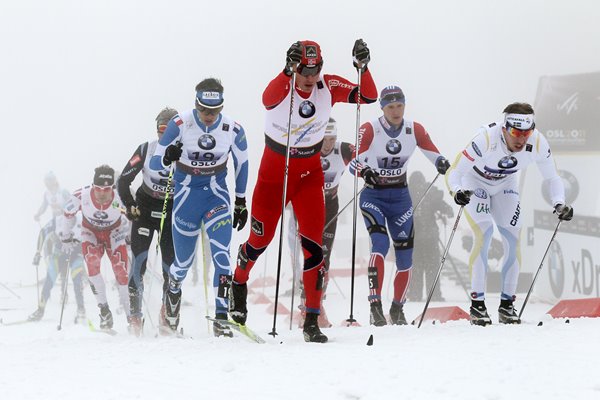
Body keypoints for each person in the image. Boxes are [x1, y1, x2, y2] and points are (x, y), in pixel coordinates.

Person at [229, 39, 377, 343]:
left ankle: (311, 319)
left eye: (314, 70)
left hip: (309, 172)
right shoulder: (284, 84)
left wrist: (364, 68)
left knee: (314, 247)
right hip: (275, 172)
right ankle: (238, 286)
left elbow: (369, 96)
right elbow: (267, 100)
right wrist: (286, 71)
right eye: (303, 70)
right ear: (295, 67)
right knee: (259, 240)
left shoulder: (328, 86)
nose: (308, 77)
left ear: (320, 67)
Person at [446, 102, 574, 325]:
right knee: (484, 234)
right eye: (516, 132)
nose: (521, 139)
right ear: (504, 128)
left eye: (527, 132)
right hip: (475, 182)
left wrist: (559, 203)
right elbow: (454, 172)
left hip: (505, 184)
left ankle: (507, 305)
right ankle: (478, 305)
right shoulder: (486, 139)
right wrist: (457, 192)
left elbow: (553, 178)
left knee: (513, 238)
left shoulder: (538, 142)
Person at [149, 78, 249, 337]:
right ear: (196, 104)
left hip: (216, 197)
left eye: (214, 111)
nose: (208, 116)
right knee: (182, 264)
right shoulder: (180, 124)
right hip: (185, 198)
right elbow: (156, 162)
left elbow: (242, 164)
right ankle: (172, 292)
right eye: (204, 110)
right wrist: (169, 155)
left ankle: (220, 318)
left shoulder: (233, 129)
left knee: (222, 259)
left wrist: (240, 200)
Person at [350, 85, 450, 326]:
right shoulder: (370, 129)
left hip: (400, 198)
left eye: (399, 106)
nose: (395, 111)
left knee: (406, 258)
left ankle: (397, 308)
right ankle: (375, 305)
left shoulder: (413, 129)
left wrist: (442, 163)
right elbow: (353, 163)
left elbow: (434, 154)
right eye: (390, 106)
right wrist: (366, 172)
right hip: (373, 197)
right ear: (382, 108)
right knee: (381, 244)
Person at [117, 107, 178, 336]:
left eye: (170, 130)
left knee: (170, 267)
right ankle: (135, 318)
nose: (165, 135)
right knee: (139, 263)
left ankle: (168, 316)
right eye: (162, 129)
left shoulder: (186, 151)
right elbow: (123, 180)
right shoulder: (146, 149)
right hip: (145, 207)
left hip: (171, 210)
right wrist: (130, 204)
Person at [60, 165, 131, 329]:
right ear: (93, 186)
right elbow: (68, 214)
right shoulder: (81, 195)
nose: (102, 193)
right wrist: (65, 236)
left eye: (106, 189)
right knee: (92, 262)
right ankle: (104, 311)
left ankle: (130, 315)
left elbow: (133, 215)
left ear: (112, 187)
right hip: (90, 232)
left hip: (114, 232)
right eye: (98, 188)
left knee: (121, 270)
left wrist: (131, 236)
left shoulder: (119, 198)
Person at [407, 171, 454, 302]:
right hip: (430, 237)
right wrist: (448, 211)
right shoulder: (430, 192)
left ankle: (415, 294)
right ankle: (434, 295)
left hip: (413, 238)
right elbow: (445, 208)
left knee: (415, 267)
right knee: (432, 267)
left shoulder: (406, 193)